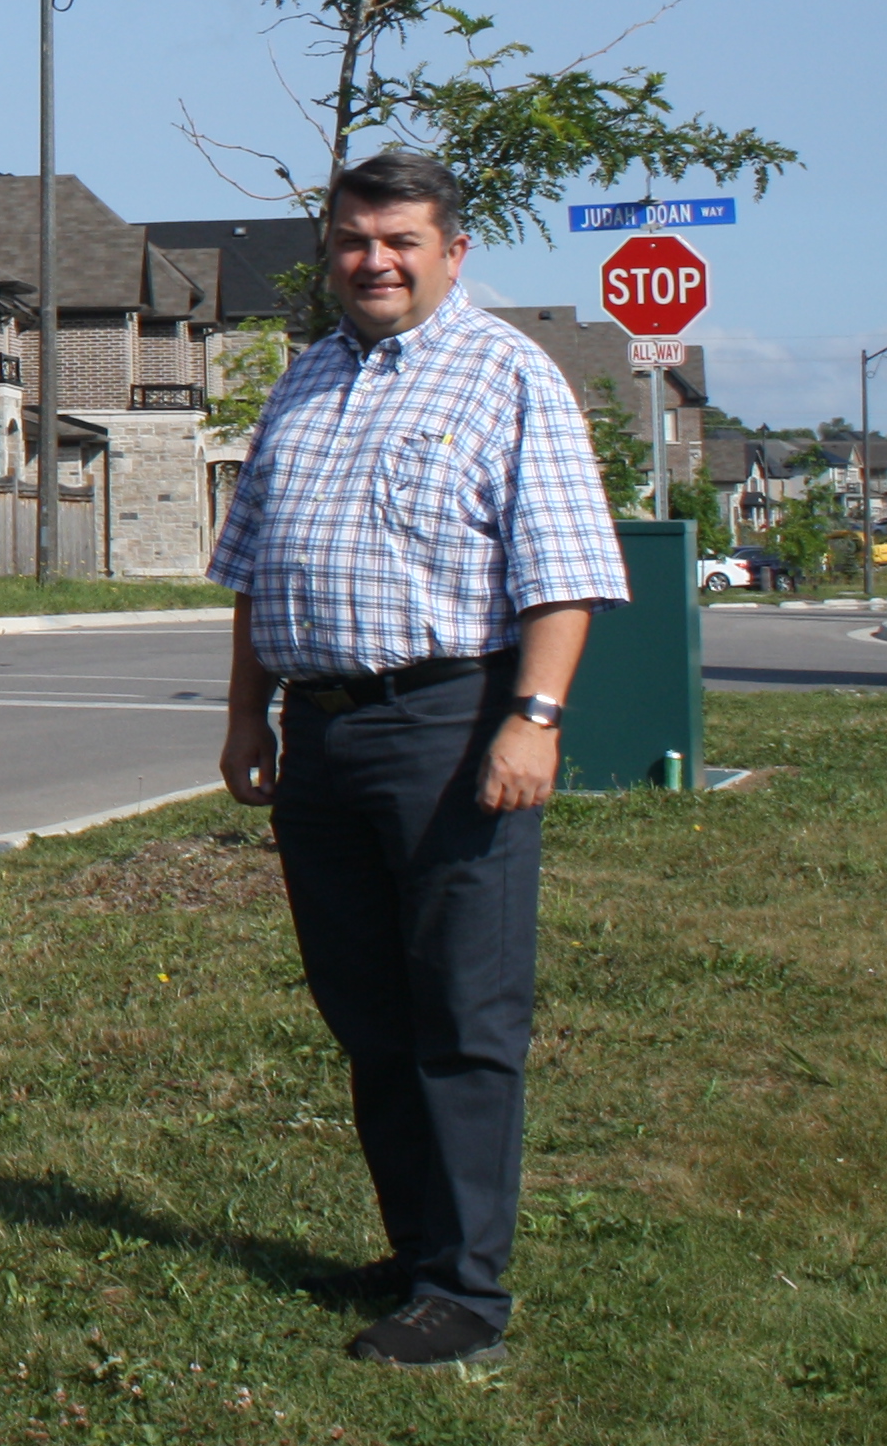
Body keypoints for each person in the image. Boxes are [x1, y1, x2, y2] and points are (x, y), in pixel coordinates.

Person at [211, 148, 626, 1371]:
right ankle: (413, 1252)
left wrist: (533, 719)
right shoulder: (304, 382)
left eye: (400, 241)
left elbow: (567, 573)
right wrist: (249, 717)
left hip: (451, 725)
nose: (374, 261)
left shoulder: (508, 376)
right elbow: (251, 575)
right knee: (369, 1012)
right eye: (353, 240)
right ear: (329, 251)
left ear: (452, 251)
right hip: (325, 735)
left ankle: (467, 1291)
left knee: (462, 1012)